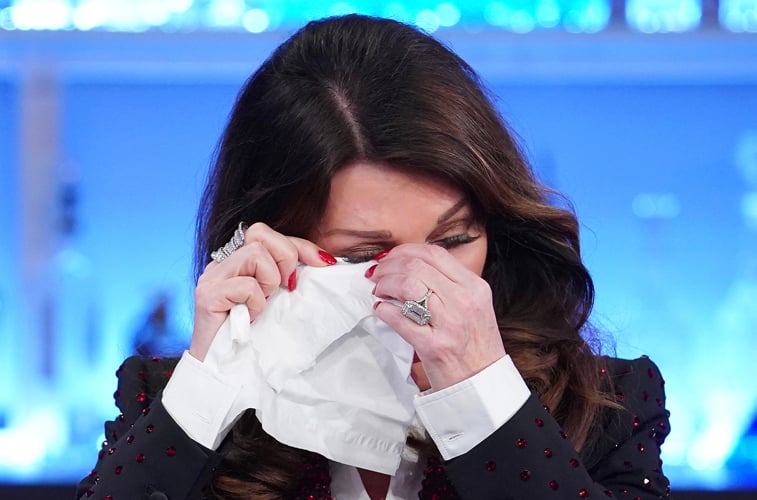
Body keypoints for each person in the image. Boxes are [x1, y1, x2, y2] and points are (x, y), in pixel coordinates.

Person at [76, 14, 670, 500]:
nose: (422, 285)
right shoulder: (169, 402)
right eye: (366, 254)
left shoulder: (609, 405)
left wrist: (483, 396)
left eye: (454, 240)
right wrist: (210, 384)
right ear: (272, 244)